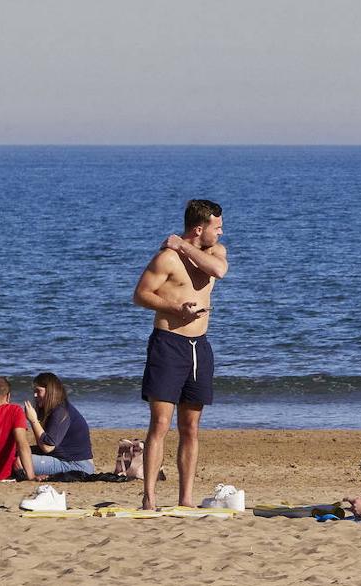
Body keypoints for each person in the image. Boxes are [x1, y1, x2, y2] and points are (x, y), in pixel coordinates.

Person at [132, 198, 228, 510]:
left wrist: (183, 245)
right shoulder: (167, 259)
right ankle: (149, 497)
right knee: (160, 424)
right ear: (199, 228)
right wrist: (176, 308)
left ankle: (185, 498)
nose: (222, 232)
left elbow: (220, 270)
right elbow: (140, 294)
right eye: (217, 227)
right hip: (168, 344)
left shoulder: (214, 254)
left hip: (199, 347)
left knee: (191, 427)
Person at [22, 372, 94, 476]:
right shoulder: (55, 409)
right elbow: (43, 444)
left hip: (77, 465)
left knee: (20, 461)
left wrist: (33, 420)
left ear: (51, 391)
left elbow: (47, 447)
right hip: (64, 459)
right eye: (34, 391)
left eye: (38, 391)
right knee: (17, 453)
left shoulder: (61, 411)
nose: (35, 395)